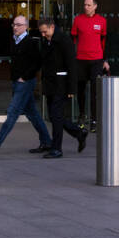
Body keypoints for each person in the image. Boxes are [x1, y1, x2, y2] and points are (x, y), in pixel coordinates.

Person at [0, 14, 52, 154]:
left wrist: (24, 77)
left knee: (13, 111)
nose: (15, 27)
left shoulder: (30, 42)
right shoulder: (14, 41)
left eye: (18, 25)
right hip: (17, 82)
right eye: (14, 24)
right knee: (33, 114)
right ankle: (47, 141)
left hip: (25, 83)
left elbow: (38, 62)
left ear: (26, 27)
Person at [37, 15, 87, 159]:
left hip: (61, 85)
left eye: (45, 31)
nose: (43, 34)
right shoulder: (46, 40)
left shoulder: (64, 40)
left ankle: (57, 148)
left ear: (52, 27)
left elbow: (72, 65)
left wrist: (72, 89)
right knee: (55, 116)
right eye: (41, 32)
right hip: (50, 84)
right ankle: (79, 132)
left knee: (56, 116)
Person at [71, 0, 109, 129]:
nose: (86, 7)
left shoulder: (102, 21)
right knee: (81, 90)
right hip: (81, 60)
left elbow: (104, 41)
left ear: (95, 6)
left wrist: (105, 60)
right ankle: (82, 115)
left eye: (88, 5)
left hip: (96, 60)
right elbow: (73, 39)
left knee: (95, 91)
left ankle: (94, 120)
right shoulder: (78, 20)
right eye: (85, 5)